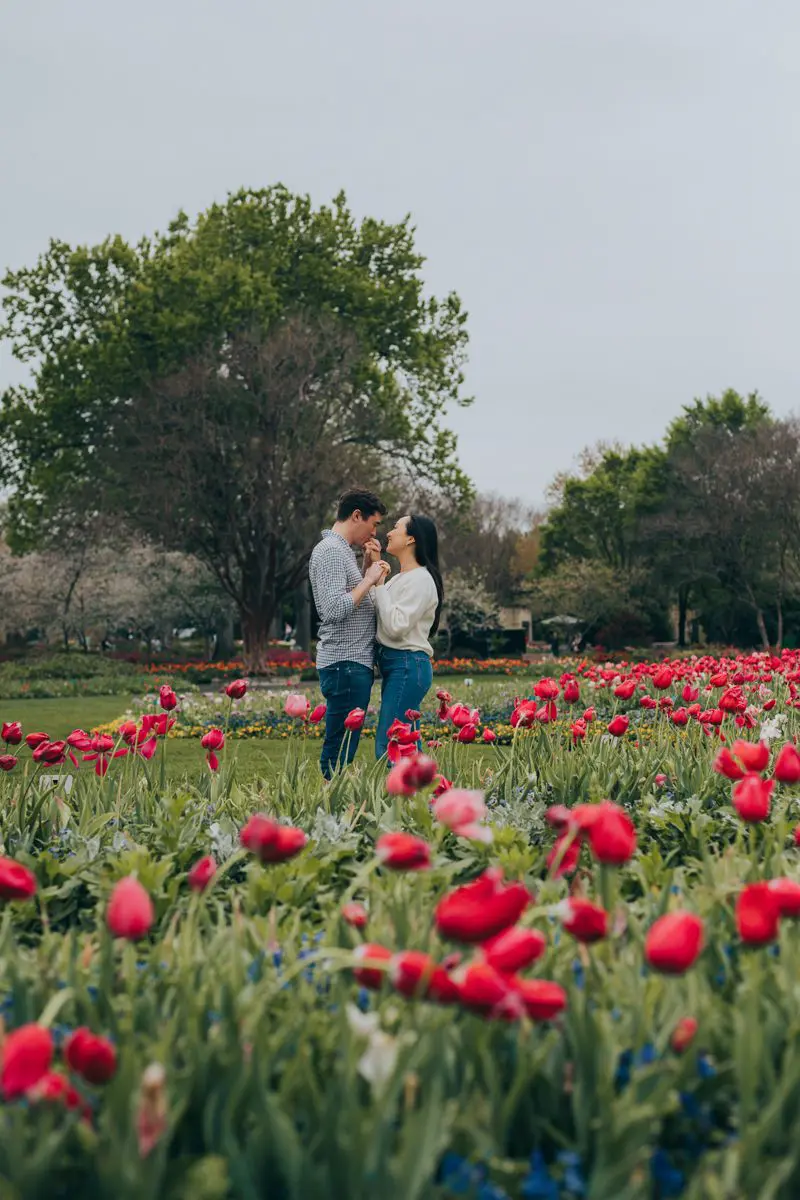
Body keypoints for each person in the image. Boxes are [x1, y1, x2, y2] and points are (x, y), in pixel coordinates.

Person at [309, 488, 388, 777]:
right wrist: (368, 580)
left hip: (351, 663)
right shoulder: (331, 551)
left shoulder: (341, 550)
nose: (374, 530)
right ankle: (330, 809)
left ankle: (335, 806)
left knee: (344, 747)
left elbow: (351, 599)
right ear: (357, 515)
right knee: (338, 749)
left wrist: (367, 567)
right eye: (374, 523)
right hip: (345, 663)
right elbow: (332, 609)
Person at [371, 513, 443, 759]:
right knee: (405, 745)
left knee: (390, 745)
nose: (389, 532)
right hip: (398, 665)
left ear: (411, 538)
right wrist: (374, 572)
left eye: (395, 527)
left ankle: (410, 796)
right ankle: (428, 797)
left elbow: (395, 626)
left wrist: (379, 586)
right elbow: (377, 609)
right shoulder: (400, 579)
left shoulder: (421, 580)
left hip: (407, 665)